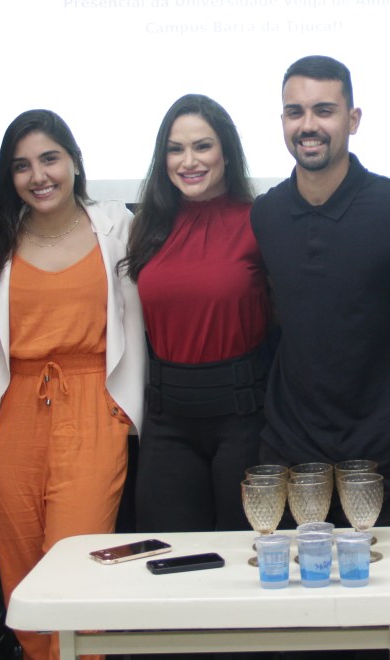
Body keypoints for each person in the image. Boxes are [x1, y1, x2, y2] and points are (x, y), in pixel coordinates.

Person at [250, 55, 390, 527]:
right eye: (295, 112)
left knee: (382, 595)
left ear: (353, 120)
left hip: (380, 453)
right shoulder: (266, 214)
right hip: (289, 450)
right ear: (282, 121)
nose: (308, 125)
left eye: (324, 110)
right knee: (291, 595)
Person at [0, 109, 146, 660]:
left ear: (74, 161)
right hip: (13, 414)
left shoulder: (116, 225)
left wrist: (127, 409)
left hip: (93, 405)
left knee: (79, 560)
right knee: (22, 569)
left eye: (50, 158)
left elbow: (144, 321)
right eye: (21, 166)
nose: (39, 175)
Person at [124, 94, 270, 531]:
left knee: (248, 562)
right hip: (167, 419)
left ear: (227, 152)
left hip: (244, 416)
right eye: (175, 149)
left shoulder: (261, 220)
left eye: (202, 146)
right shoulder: (146, 225)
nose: (188, 161)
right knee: (170, 564)